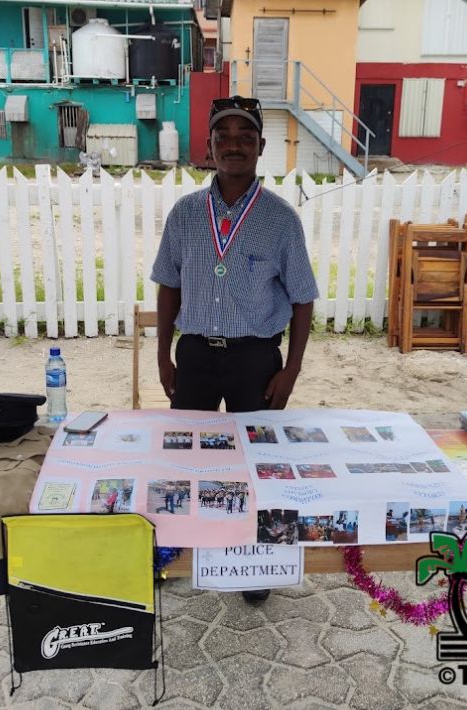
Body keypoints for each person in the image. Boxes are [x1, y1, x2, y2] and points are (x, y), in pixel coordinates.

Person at [151, 95, 318, 603]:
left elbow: (302, 299)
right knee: (186, 458)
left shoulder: (281, 219)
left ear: (261, 147)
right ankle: (176, 550)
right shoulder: (185, 214)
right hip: (197, 355)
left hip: (254, 358)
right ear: (209, 146)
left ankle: (257, 562)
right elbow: (168, 286)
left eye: (246, 137)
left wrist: (291, 370)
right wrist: (163, 355)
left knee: (258, 463)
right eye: (223, 136)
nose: (234, 146)